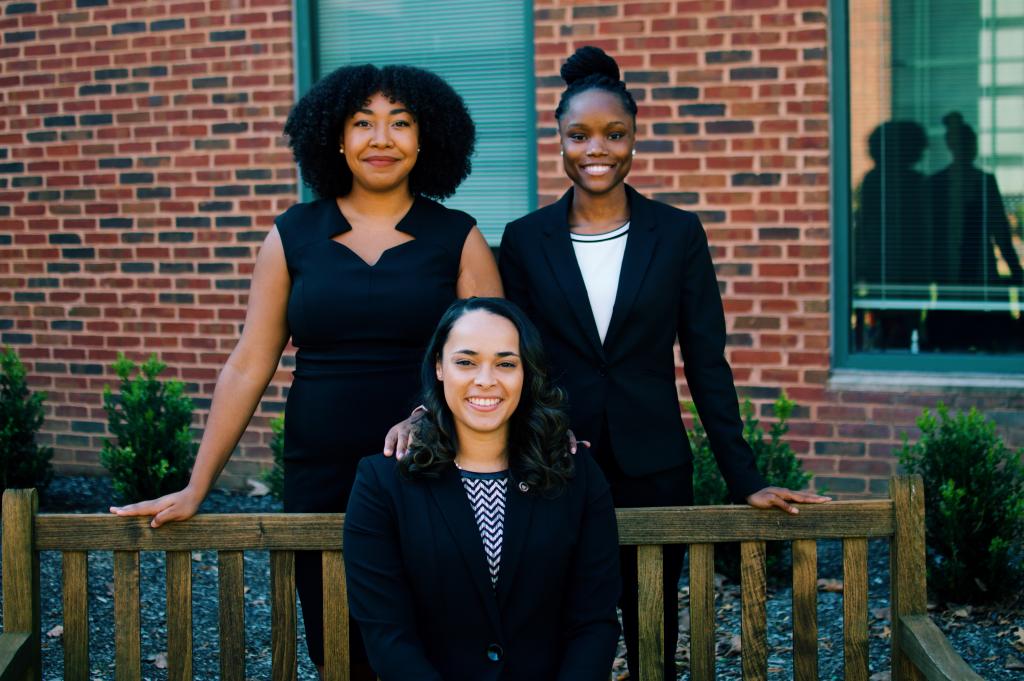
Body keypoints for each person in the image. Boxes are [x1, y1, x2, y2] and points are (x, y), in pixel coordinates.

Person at [109, 63, 502, 677]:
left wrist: (429, 413)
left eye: (400, 123)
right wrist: (197, 485)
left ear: (426, 140)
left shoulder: (459, 237)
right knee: (337, 645)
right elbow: (248, 365)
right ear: (336, 138)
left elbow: (494, 365)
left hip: (432, 464)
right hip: (322, 473)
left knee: (436, 642)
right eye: (362, 123)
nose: (381, 138)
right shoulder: (292, 235)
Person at [497, 46, 830, 679]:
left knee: (650, 620)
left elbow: (707, 361)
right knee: (560, 615)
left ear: (633, 139)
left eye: (614, 134)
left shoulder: (677, 233)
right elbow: (521, 359)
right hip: (557, 462)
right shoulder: (524, 238)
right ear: (560, 141)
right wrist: (538, 432)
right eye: (580, 135)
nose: (598, 149)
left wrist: (745, 479)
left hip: (654, 464)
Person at [344, 297, 620, 681]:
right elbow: (386, 633)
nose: (486, 380)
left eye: (506, 363)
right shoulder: (382, 482)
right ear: (439, 367)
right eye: (466, 362)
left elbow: (594, 623)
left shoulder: (576, 474)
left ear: (527, 373)